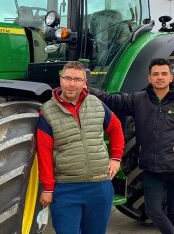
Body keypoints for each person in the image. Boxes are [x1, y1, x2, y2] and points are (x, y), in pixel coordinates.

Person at [90, 58, 174, 234]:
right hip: (152, 170)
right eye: (155, 74)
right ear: (149, 78)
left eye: (163, 74)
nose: (159, 78)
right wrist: (86, 89)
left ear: (171, 77)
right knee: (153, 211)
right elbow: (112, 100)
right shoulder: (139, 100)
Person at [37, 61, 125, 234]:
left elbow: (116, 128)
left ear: (84, 82)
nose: (72, 84)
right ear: (61, 80)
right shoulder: (47, 112)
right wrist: (47, 188)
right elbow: (44, 153)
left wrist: (116, 157)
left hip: (100, 186)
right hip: (67, 188)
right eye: (68, 78)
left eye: (77, 79)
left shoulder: (97, 104)